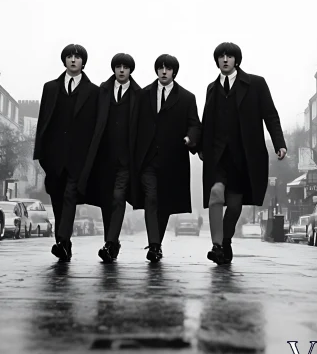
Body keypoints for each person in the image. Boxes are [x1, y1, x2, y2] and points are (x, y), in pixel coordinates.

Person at [200, 42, 287, 265]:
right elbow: (206, 121)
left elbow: (270, 114)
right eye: (221, 56)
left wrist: (279, 143)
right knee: (216, 194)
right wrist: (201, 147)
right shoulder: (212, 88)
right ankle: (217, 245)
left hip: (244, 156)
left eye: (229, 56)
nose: (225, 60)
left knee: (236, 205)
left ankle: (225, 240)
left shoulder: (256, 84)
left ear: (236, 60)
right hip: (218, 155)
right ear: (217, 61)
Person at [131, 54, 201, 262]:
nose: (163, 72)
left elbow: (195, 124)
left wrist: (190, 138)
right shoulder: (143, 95)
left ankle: (156, 245)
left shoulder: (187, 98)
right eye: (160, 68)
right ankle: (154, 245)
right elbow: (134, 125)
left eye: (168, 68)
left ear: (173, 72)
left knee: (165, 205)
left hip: (173, 160)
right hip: (148, 159)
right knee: (151, 198)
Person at [33, 44, 99, 262]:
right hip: (53, 157)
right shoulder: (50, 88)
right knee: (58, 200)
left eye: (77, 57)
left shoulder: (94, 91)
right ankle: (65, 244)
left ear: (83, 62)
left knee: (70, 196)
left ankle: (61, 240)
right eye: (69, 56)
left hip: (79, 158)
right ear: (64, 61)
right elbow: (44, 121)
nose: (73, 60)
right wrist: (41, 155)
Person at [81, 53, 142, 263]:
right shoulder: (102, 92)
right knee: (107, 202)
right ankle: (112, 243)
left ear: (130, 70)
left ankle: (109, 243)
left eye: (125, 67)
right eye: (118, 66)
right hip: (103, 158)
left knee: (118, 198)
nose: (122, 70)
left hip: (126, 160)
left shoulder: (138, 94)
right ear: (114, 69)